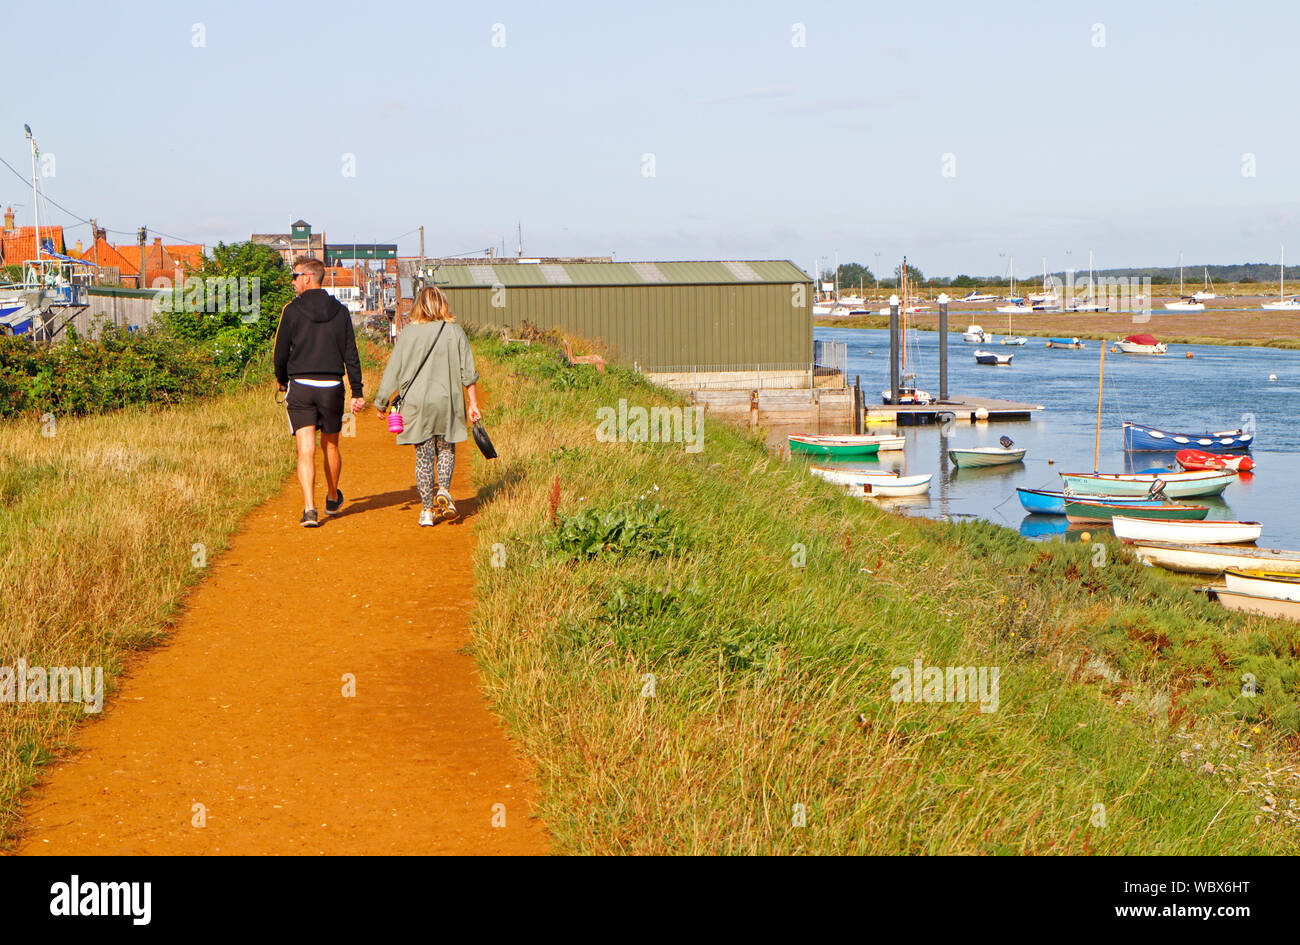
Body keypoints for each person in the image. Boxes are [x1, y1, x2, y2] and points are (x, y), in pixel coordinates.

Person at [373, 286, 481, 526]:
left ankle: (427, 511)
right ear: (443, 304)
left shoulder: (409, 333)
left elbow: (393, 371)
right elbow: (468, 373)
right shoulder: (455, 332)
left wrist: (381, 402)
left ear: (418, 306)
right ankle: (443, 489)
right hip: (448, 402)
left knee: (423, 457)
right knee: (446, 449)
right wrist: (473, 403)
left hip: (416, 404)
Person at [273, 256, 366, 527]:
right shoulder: (340, 311)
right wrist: (357, 390)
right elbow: (351, 353)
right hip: (332, 388)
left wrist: (282, 380)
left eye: (294, 276)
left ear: (307, 277)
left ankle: (309, 509)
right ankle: (333, 496)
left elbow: (280, 352)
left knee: (305, 449)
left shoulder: (291, 310)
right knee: (331, 444)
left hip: (301, 386)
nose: (292, 281)